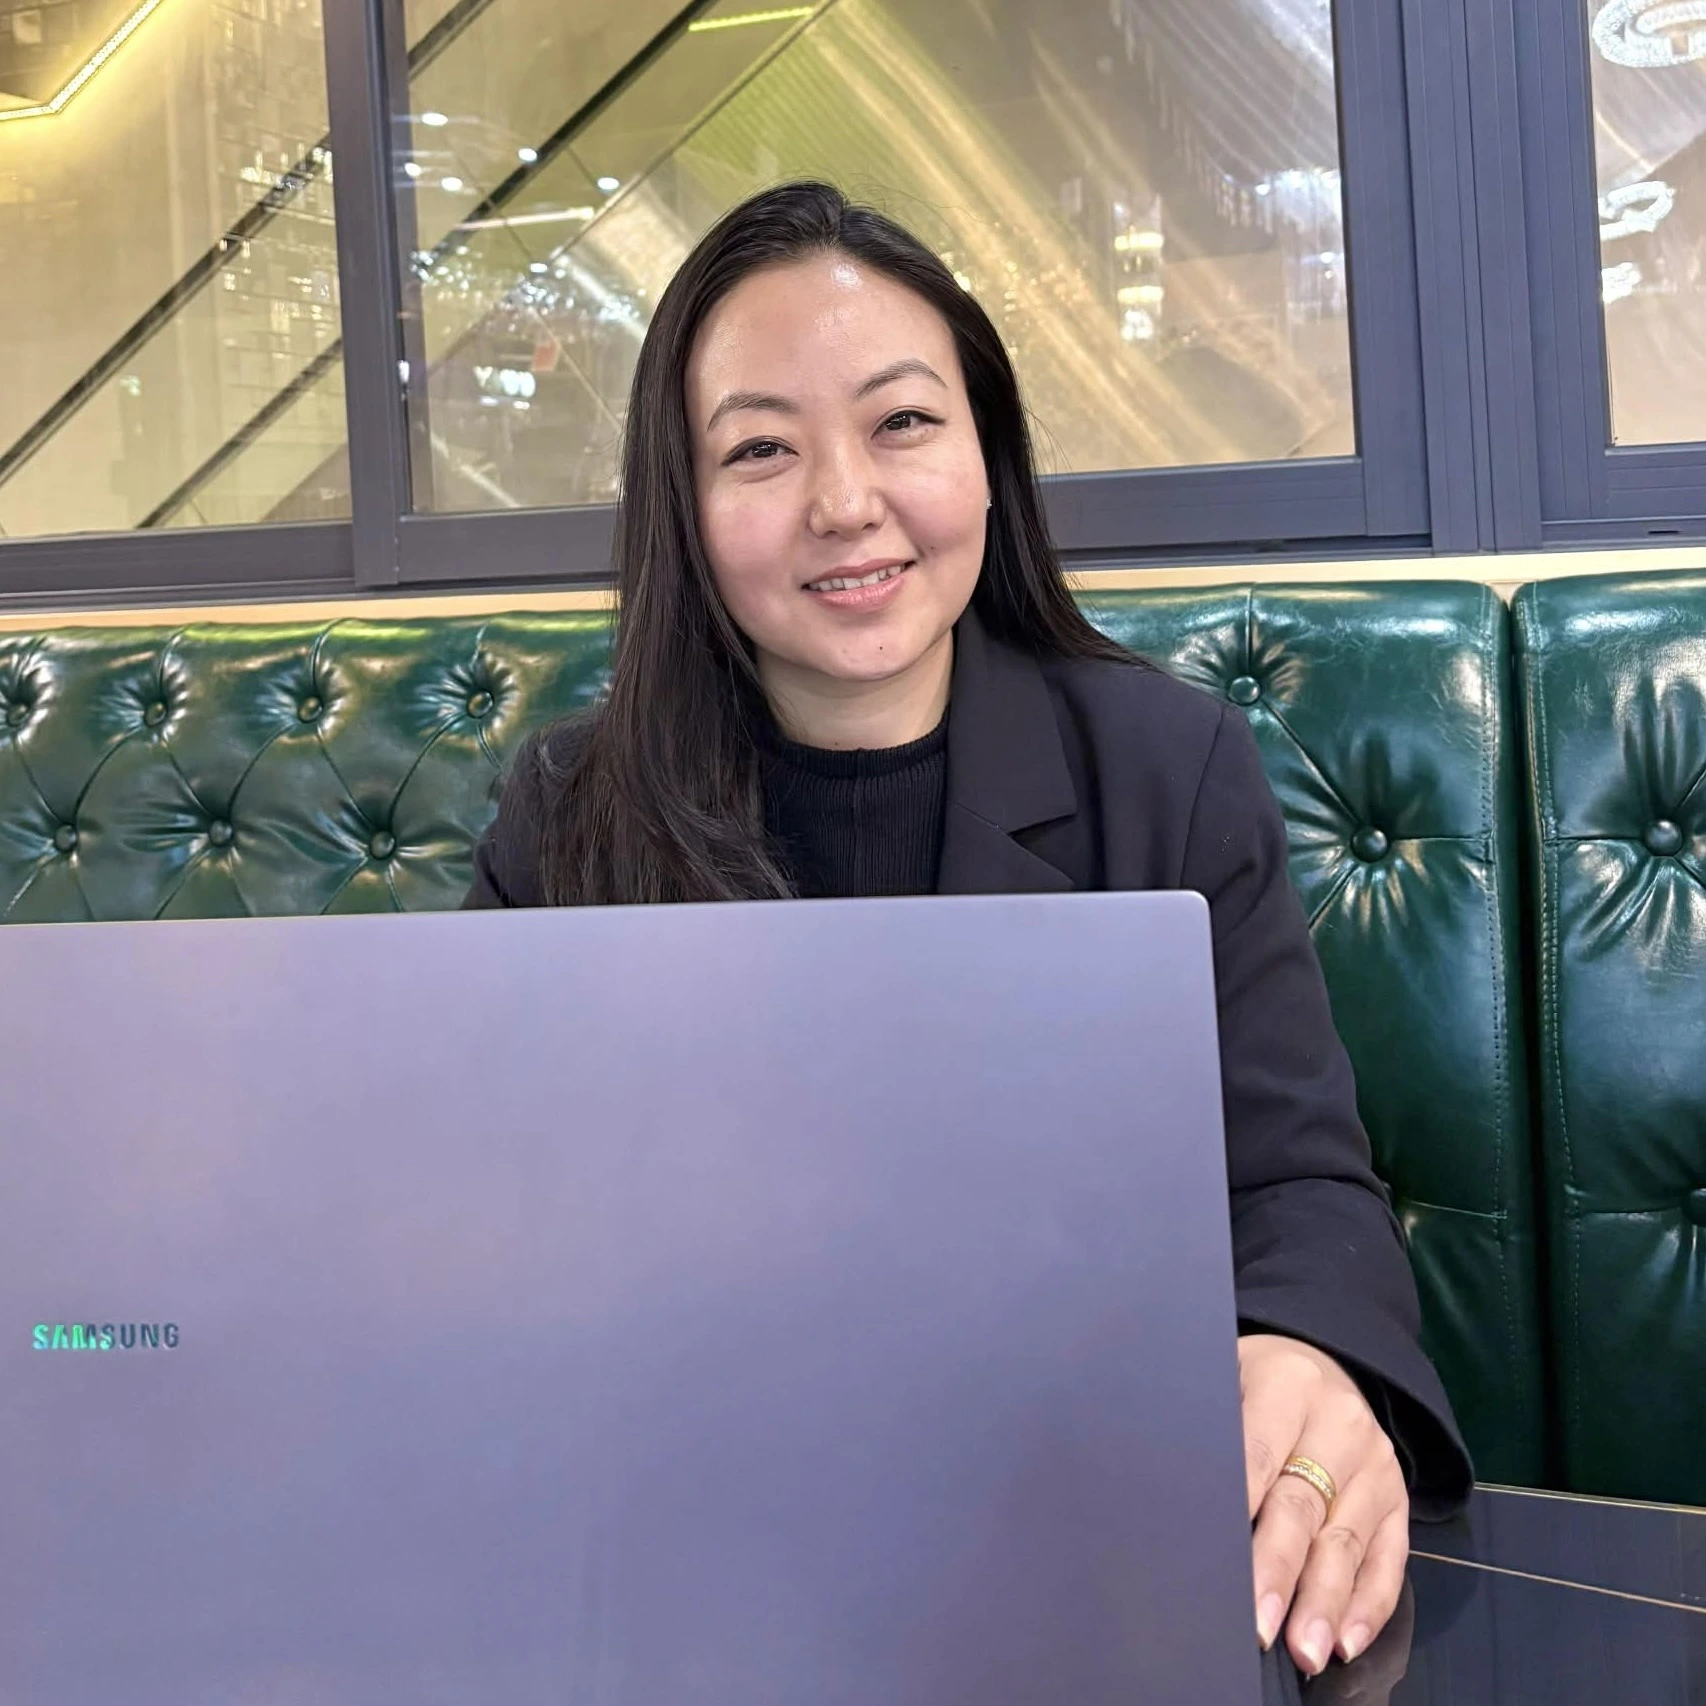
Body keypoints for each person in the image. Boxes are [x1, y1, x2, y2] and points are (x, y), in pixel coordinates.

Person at [464, 179, 1471, 1690]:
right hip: (692, 1572)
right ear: (683, 507)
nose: (842, 502)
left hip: (1075, 1561)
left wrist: (1304, 1356)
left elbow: (1298, 1182)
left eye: (902, 423)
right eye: (760, 448)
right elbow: (471, 1216)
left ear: (987, 457)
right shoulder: (569, 813)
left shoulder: (1163, 768)